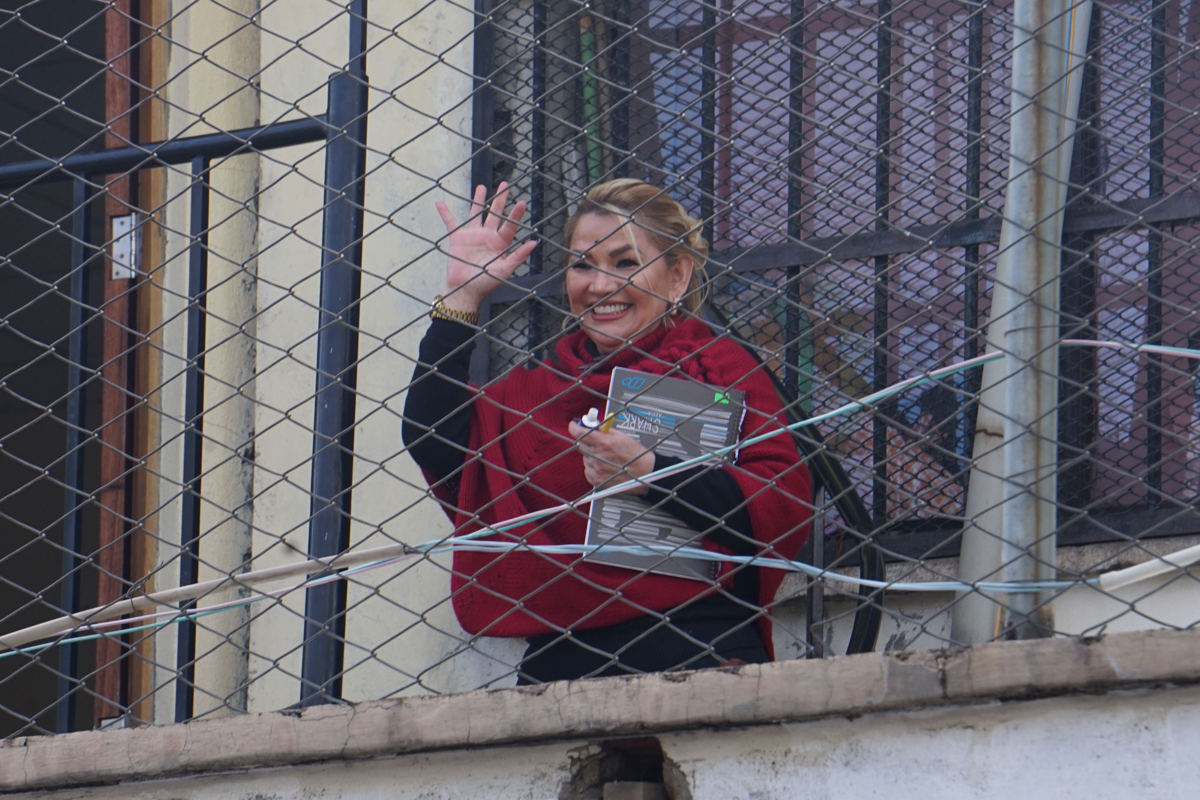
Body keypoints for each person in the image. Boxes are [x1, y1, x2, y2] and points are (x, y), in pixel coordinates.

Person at [402, 179, 812, 683]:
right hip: (560, 663)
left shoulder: (720, 368)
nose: (599, 286)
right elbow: (435, 441)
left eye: (625, 263)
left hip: (700, 649)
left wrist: (651, 473)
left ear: (677, 275)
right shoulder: (537, 389)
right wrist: (461, 297)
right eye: (582, 264)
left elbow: (779, 508)